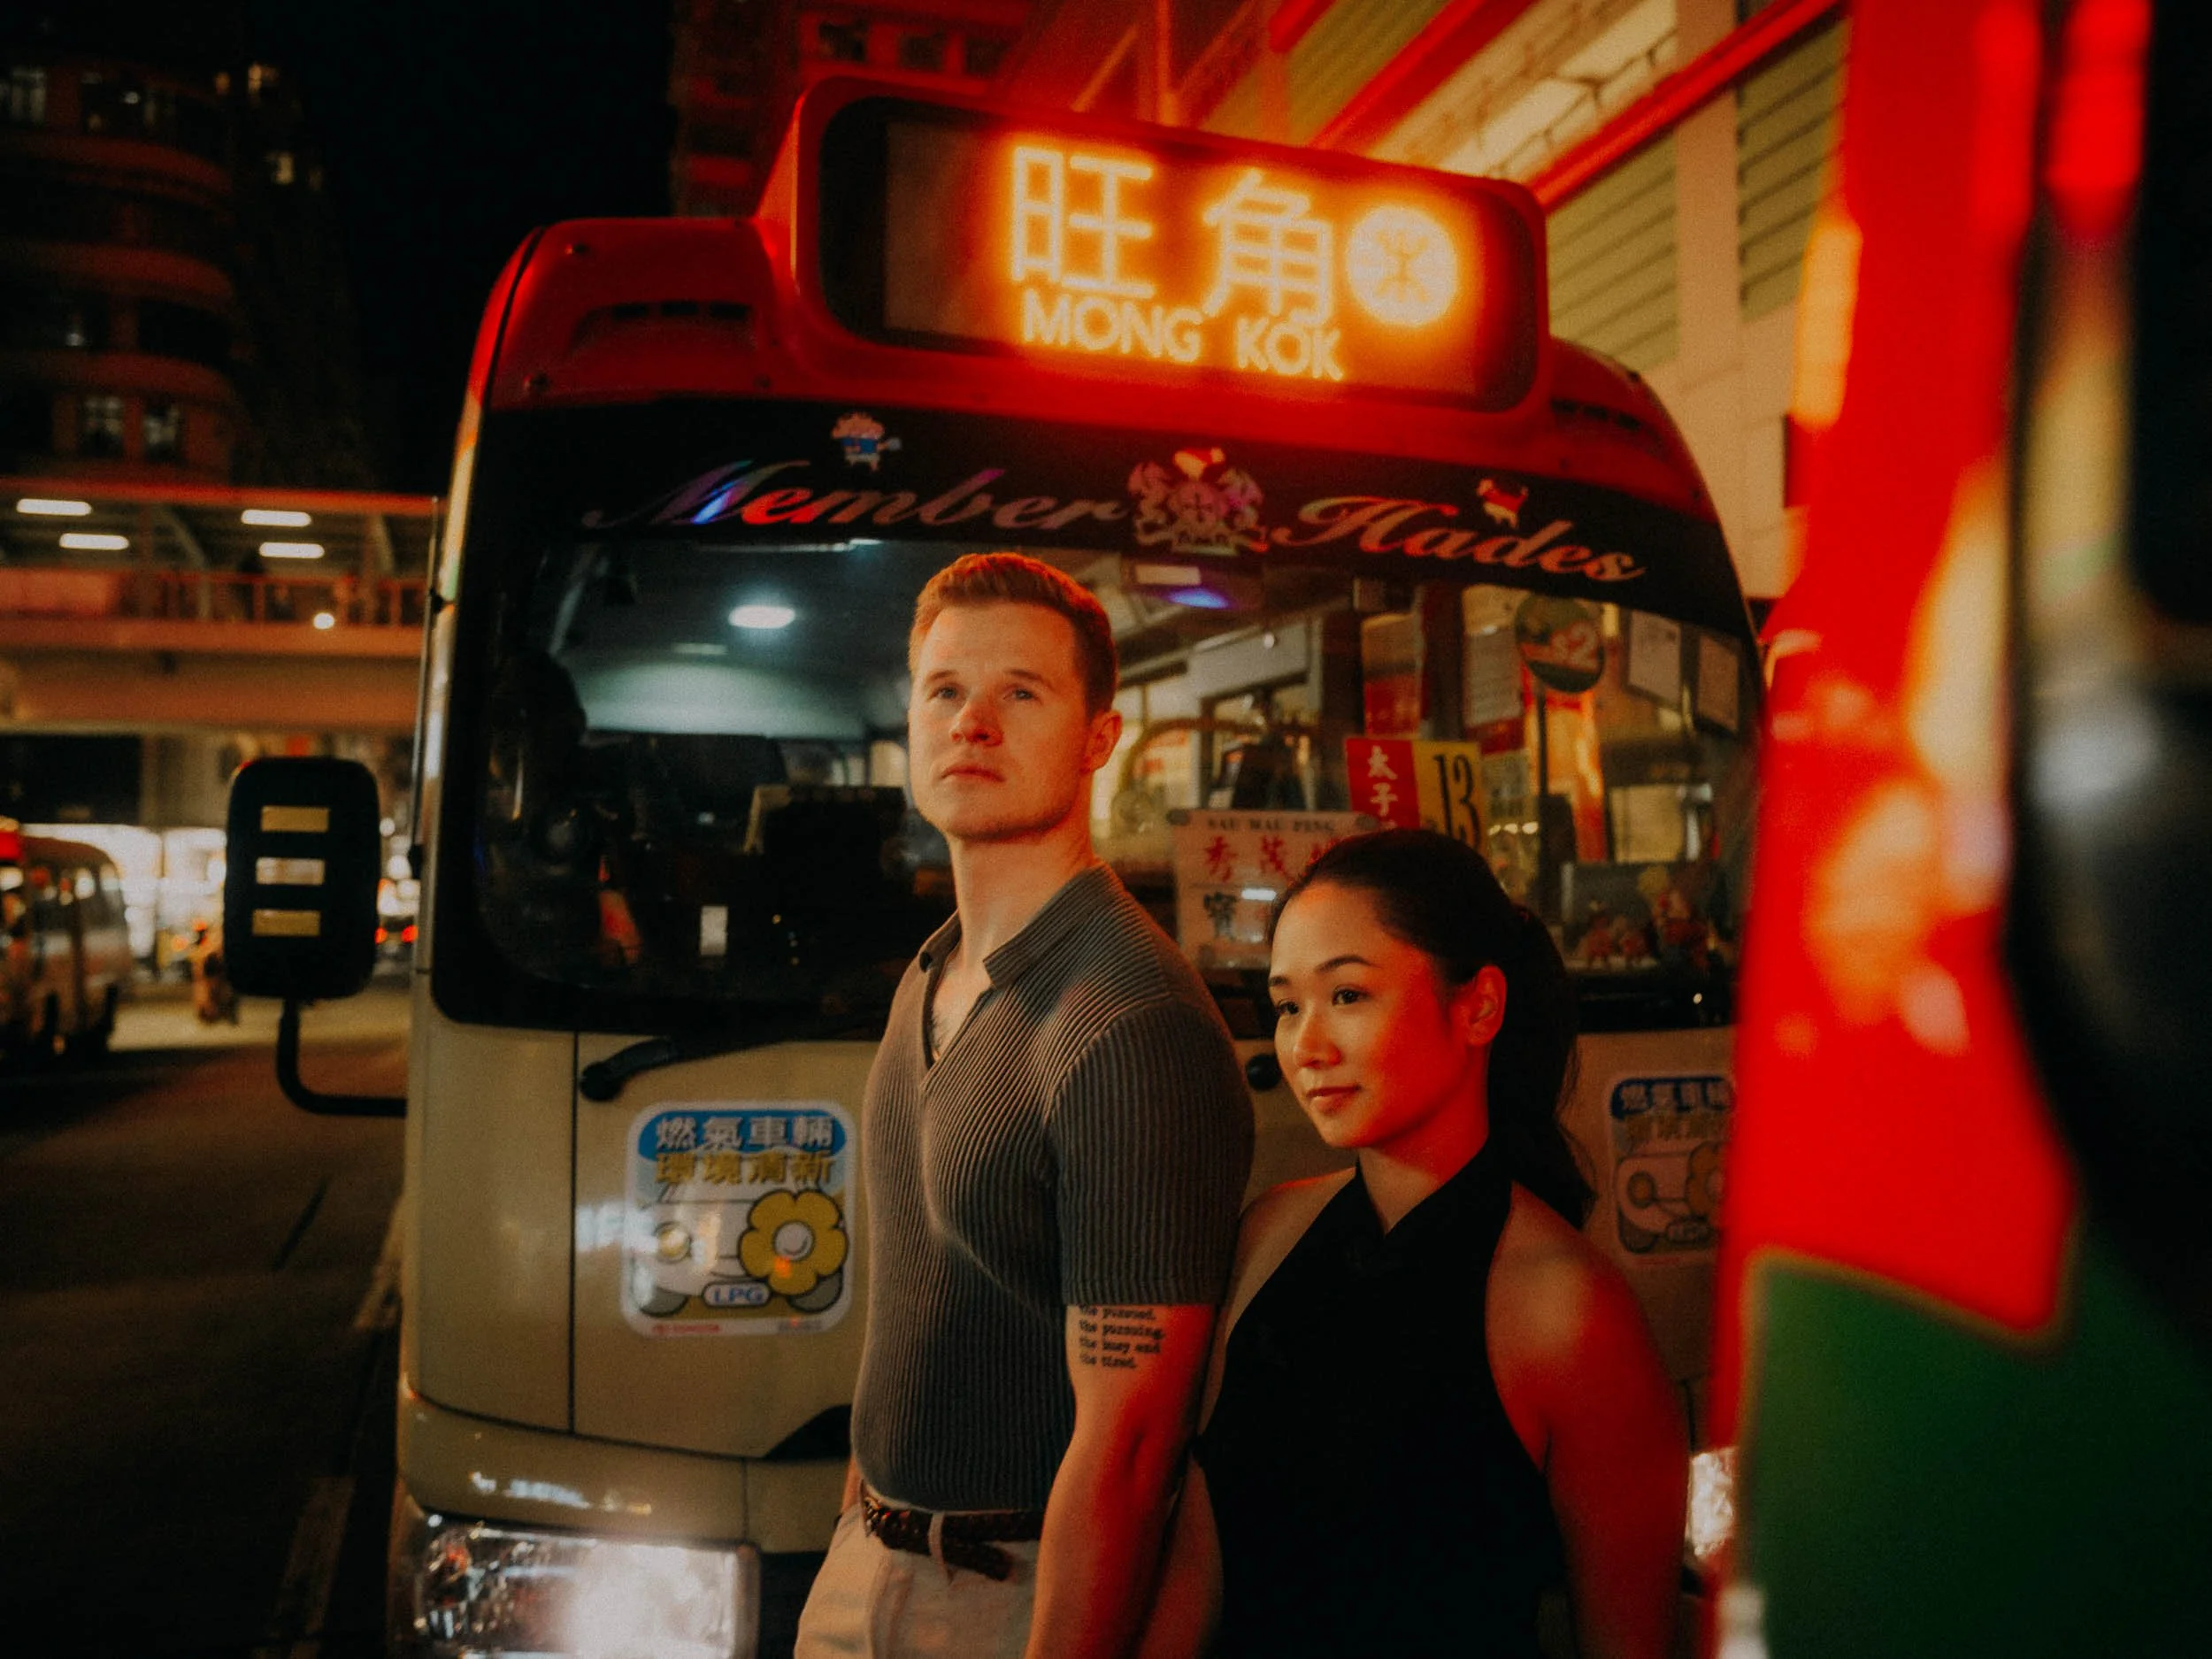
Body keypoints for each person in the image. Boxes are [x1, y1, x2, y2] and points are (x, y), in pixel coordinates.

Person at [795, 552, 1253, 1659]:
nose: (973, 723)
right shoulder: (933, 970)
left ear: (1099, 738)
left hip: (1012, 1594)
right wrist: (859, 1533)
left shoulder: (1128, 1021)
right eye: (945, 691)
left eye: (1021, 693)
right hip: (871, 1564)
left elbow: (1134, 1444)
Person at [1140, 829, 1686, 1659]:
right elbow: (1197, 1565)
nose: (1306, 1046)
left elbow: (1628, 1641)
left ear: (1480, 1007)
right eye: (1287, 1006)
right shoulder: (1270, 1232)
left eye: (1348, 994)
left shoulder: (1567, 1307)